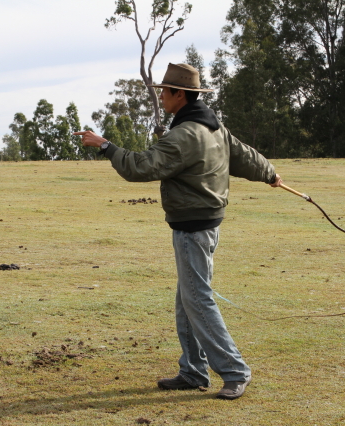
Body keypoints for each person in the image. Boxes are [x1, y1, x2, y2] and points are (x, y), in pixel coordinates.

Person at [74, 63, 282, 400]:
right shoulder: (213, 126)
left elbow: (140, 167)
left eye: (165, 92)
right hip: (206, 224)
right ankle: (193, 372)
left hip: (193, 229)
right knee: (188, 299)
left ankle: (235, 371)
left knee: (197, 300)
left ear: (179, 94)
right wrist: (270, 173)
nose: (161, 97)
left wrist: (105, 145)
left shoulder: (185, 134)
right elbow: (244, 156)